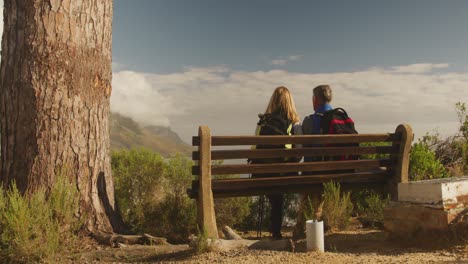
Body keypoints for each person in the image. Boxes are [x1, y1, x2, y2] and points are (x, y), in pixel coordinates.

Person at [253, 86, 302, 240]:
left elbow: (254, 149)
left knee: (274, 194)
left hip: (261, 174)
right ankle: (276, 231)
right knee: (278, 195)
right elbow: (299, 153)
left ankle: (273, 230)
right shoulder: (294, 123)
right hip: (284, 173)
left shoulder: (262, 121)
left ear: (273, 100)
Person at [293, 84, 333, 239]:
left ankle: (300, 228)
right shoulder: (342, 118)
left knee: (309, 185)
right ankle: (321, 222)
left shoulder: (310, 121)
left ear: (315, 100)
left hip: (314, 172)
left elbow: (302, 150)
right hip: (339, 172)